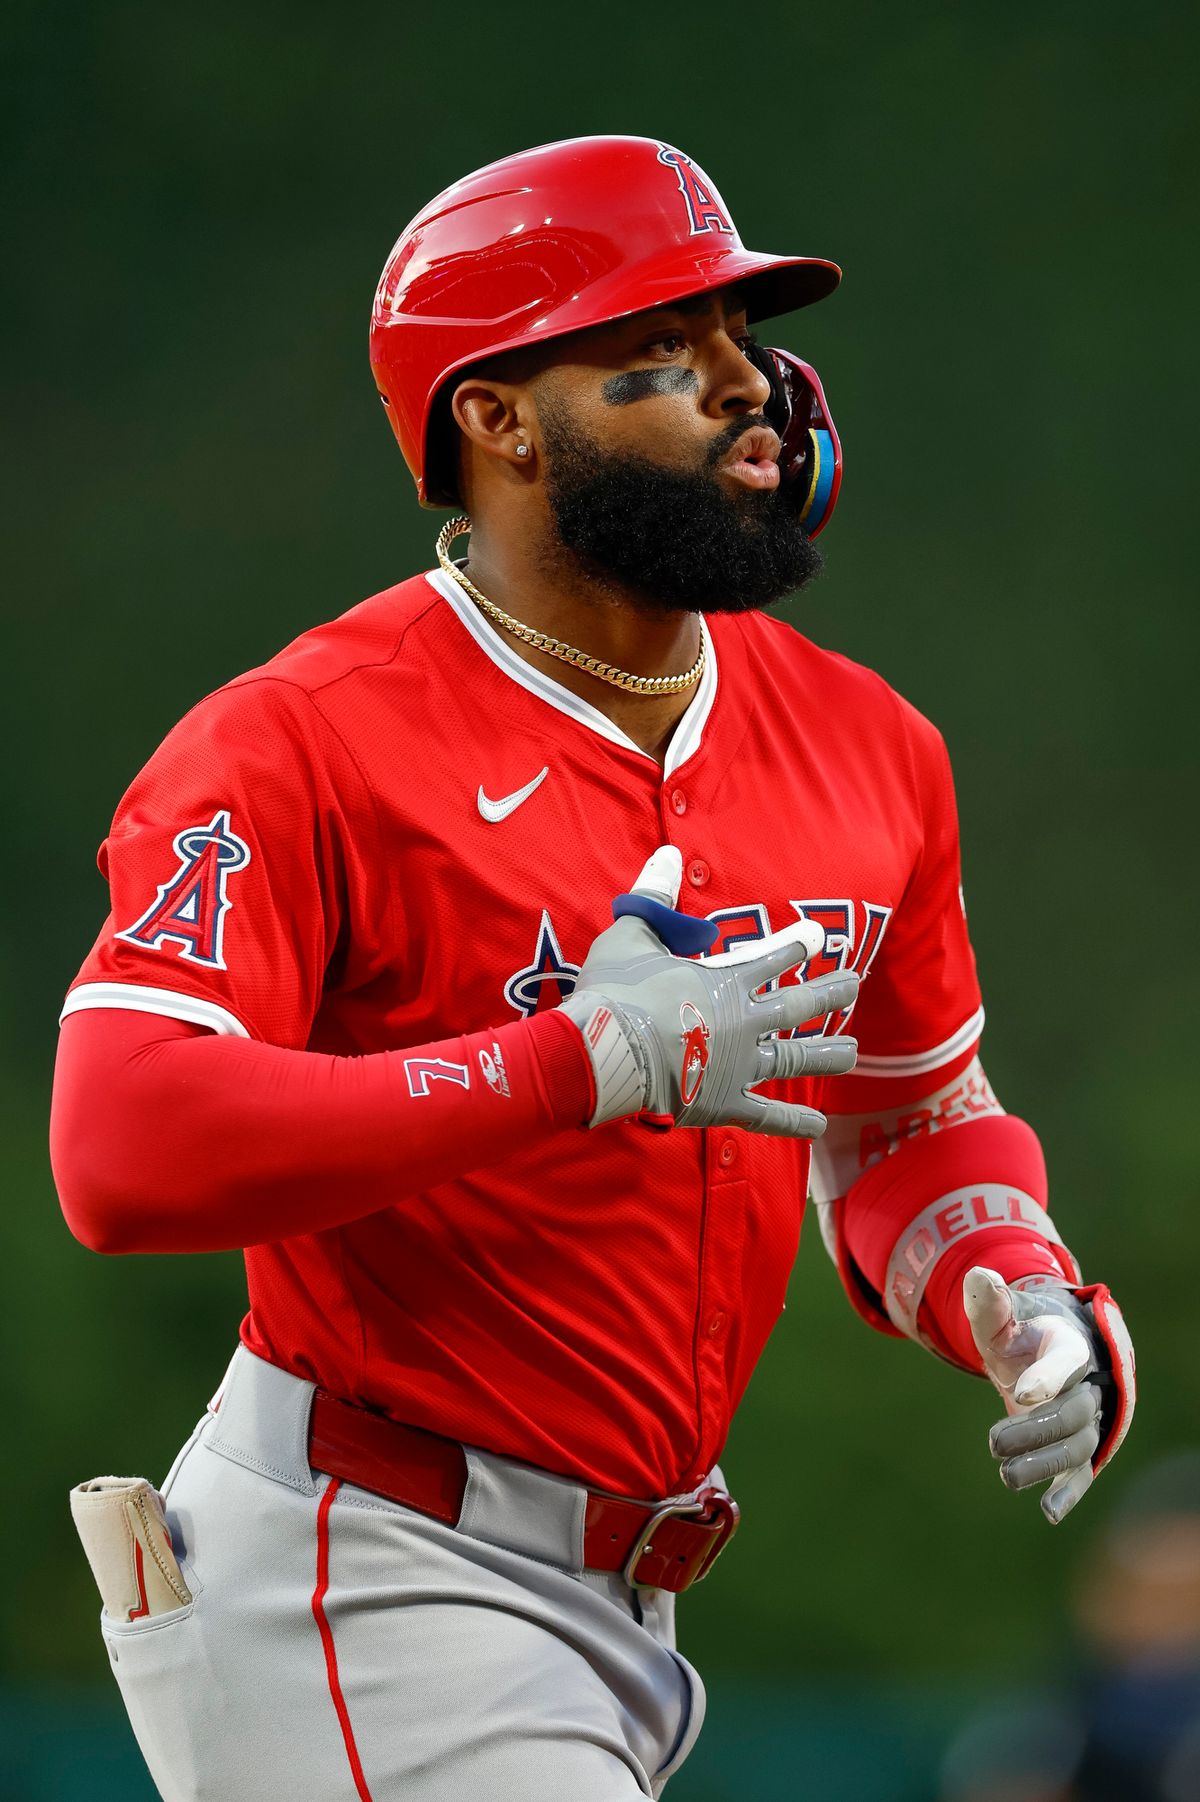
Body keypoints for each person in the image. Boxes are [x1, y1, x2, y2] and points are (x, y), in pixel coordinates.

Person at [49, 136, 1136, 1802]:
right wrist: (575, 1061)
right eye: (662, 354)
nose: (746, 389)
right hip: (368, 1557)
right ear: (493, 420)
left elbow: (913, 1121)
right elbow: (122, 1147)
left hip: (622, 1602)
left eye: (740, 341)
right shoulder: (301, 740)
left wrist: (1022, 1286)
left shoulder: (868, 744)